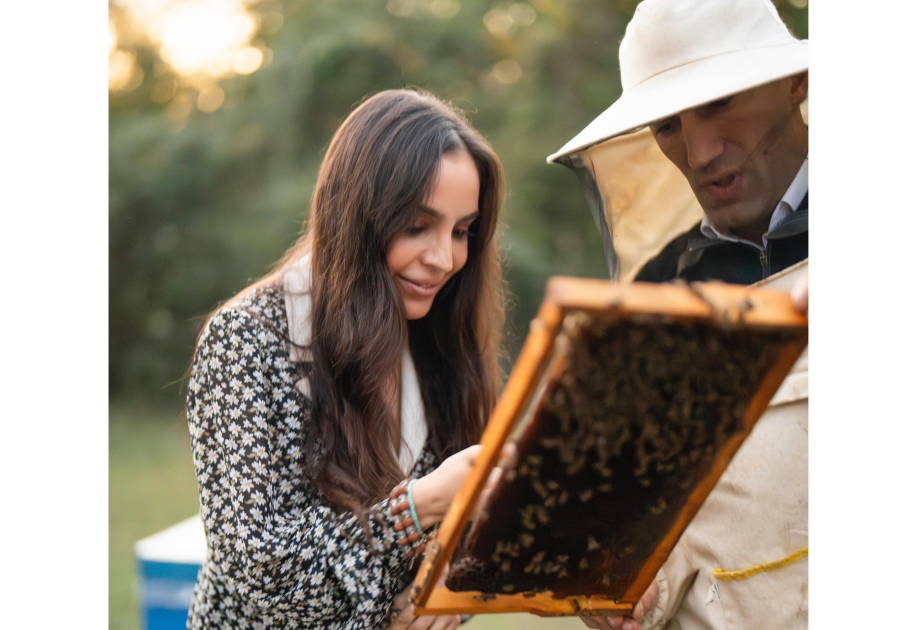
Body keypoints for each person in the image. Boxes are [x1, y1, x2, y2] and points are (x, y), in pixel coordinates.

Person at [185, 89, 507, 630]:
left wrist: (448, 574)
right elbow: (266, 574)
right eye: (416, 226)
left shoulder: (437, 334)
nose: (444, 258)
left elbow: (473, 532)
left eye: (462, 230)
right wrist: (416, 510)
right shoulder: (247, 341)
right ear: (356, 215)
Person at [548, 0, 809, 628]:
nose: (699, 151)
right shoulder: (656, 294)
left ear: (796, 81)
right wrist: (615, 587)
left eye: (719, 102)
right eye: (667, 124)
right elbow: (632, 523)